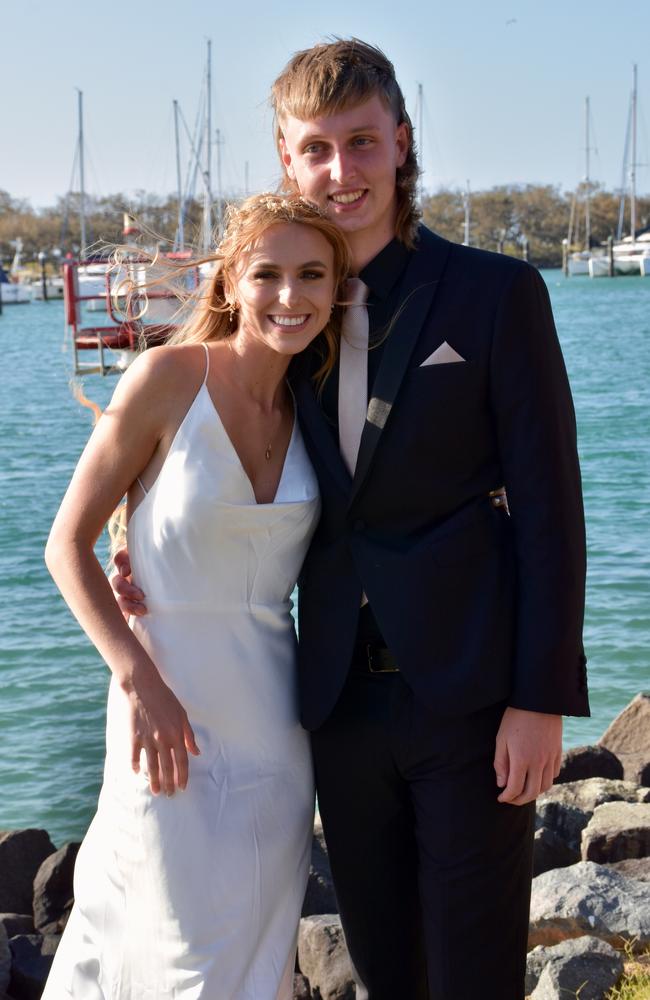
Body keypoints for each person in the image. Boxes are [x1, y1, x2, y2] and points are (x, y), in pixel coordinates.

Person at [114, 40, 589, 1000]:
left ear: (403, 144)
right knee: (384, 969)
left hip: (471, 696)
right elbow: (194, 438)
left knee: (475, 972)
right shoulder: (283, 316)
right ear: (288, 162)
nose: (342, 172)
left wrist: (541, 697)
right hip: (331, 706)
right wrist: (139, 542)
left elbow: (551, 509)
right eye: (317, 151)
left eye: (362, 143)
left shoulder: (499, 295)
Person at [41, 193, 350, 999]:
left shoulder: (313, 402)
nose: (291, 295)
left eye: (312, 274)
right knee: (172, 946)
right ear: (230, 284)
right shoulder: (168, 376)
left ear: (336, 285)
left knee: (251, 957)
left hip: (275, 728)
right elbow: (62, 545)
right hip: (162, 711)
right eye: (268, 274)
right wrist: (139, 680)